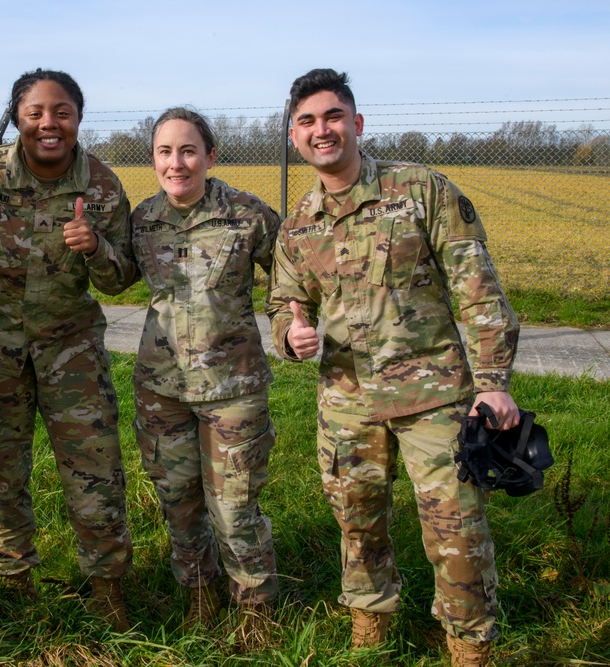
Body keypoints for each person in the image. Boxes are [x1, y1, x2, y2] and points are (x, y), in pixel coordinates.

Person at [267, 68, 520, 666]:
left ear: (356, 124)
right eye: (306, 122)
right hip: (347, 402)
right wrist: (290, 333)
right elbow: (284, 301)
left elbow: (478, 291)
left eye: (332, 117)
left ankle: (471, 647)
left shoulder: (421, 190)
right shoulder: (298, 224)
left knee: (455, 532)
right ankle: (370, 633)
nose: (320, 130)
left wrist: (493, 384)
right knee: (357, 525)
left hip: (434, 400)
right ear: (294, 139)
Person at [0, 69, 134, 632]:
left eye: (63, 112)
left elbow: (121, 279)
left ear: (78, 117)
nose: (50, 123)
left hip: (71, 349)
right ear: (18, 116)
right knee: (2, 469)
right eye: (36, 112)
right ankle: (13, 582)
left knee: (95, 468)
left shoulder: (100, 185)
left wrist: (95, 248)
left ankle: (107, 587)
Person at [128, 108, 281, 632]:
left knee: (234, 507)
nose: (177, 163)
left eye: (188, 150)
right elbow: (113, 276)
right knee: (178, 499)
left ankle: (254, 609)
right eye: (165, 152)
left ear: (210, 156)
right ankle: (197, 592)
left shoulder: (248, 215)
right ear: (153, 160)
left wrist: (292, 322)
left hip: (232, 389)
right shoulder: (142, 218)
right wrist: (88, 244)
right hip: (160, 388)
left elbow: (291, 278)